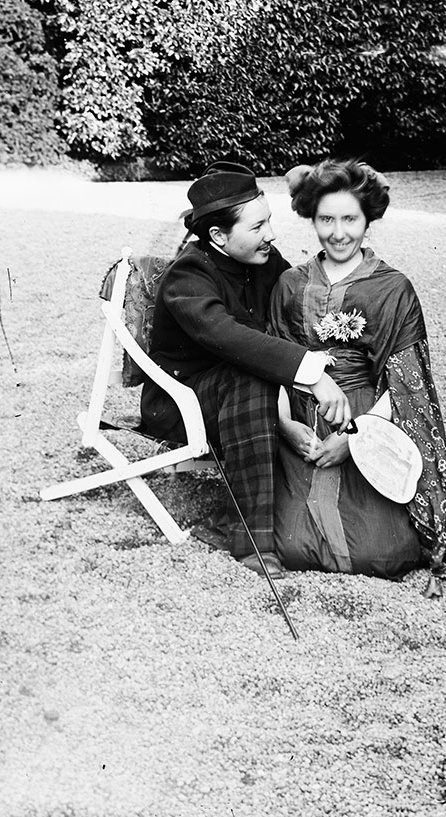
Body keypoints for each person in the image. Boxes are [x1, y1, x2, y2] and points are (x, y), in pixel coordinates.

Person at [267, 159, 446, 595]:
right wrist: (286, 426)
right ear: (312, 219)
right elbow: (273, 363)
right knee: (286, 544)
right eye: (326, 219)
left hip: (369, 419)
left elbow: (406, 383)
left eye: (350, 219)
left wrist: (353, 438)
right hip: (299, 416)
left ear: (369, 221)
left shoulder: (392, 288)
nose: (338, 232)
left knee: (379, 554)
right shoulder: (290, 283)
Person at [140, 162, 352, 579]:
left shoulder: (263, 260)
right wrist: (311, 374)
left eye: (269, 221)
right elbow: (231, 340)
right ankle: (251, 539)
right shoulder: (189, 275)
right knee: (251, 373)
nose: (271, 234)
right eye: (257, 227)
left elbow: (297, 309)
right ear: (218, 236)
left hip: (249, 400)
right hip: (182, 403)